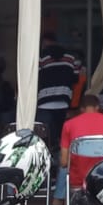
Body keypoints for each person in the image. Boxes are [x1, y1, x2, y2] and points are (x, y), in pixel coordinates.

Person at [55, 93, 103, 205]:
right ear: (98, 107)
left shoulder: (69, 124)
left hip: (79, 178)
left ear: (81, 109)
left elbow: (64, 162)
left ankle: (59, 198)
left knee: (61, 159)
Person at [37, 31, 84, 164]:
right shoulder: (70, 57)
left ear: (45, 42)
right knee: (60, 134)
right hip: (63, 100)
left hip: (44, 101)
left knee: (46, 137)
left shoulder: (41, 58)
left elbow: (36, 77)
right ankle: (61, 161)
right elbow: (76, 78)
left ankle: (48, 162)